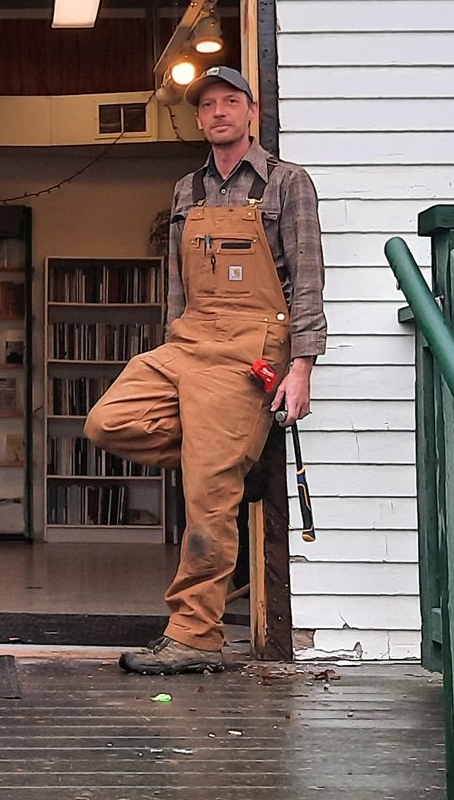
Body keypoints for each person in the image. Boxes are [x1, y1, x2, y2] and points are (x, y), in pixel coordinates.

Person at [85, 65, 327, 675]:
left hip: (251, 350)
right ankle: (229, 464)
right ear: (199, 119)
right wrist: (172, 342)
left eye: (230, 101)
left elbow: (307, 277)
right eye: (208, 105)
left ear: (252, 112)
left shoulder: (285, 183)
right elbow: (176, 281)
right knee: (106, 423)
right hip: (189, 341)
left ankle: (195, 634)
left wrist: (301, 367)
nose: (218, 112)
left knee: (206, 500)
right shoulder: (186, 190)